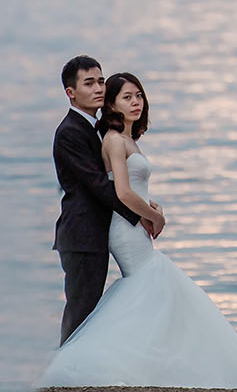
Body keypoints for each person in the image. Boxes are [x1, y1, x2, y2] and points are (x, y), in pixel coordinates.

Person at [36, 72, 237, 389]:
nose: (135, 102)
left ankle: (153, 365)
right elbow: (121, 191)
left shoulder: (127, 139)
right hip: (125, 228)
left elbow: (130, 187)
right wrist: (153, 217)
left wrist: (151, 206)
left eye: (138, 96)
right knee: (152, 285)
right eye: (126, 97)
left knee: (150, 292)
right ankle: (87, 365)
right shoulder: (114, 140)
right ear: (112, 104)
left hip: (131, 223)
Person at [51, 55, 164, 344]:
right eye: (89, 83)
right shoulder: (69, 133)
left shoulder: (97, 129)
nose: (99, 88)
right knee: (81, 312)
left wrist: (144, 205)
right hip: (82, 235)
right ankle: (63, 379)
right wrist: (142, 214)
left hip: (99, 233)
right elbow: (100, 186)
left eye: (101, 81)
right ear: (71, 92)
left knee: (90, 312)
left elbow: (115, 179)